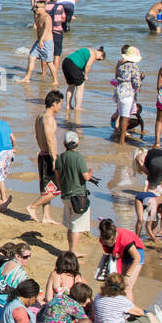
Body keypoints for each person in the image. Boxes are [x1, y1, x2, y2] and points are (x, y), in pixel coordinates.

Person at [26, 91, 65, 224]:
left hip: (43, 153)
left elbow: (37, 136)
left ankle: (46, 216)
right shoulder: (48, 118)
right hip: (48, 155)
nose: (60, 107)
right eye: (60, 104)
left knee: (47, 188)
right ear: (54, 103)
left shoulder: (39, 116)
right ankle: (33, 206)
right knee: (56, 190)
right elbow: (49, 138)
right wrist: (54, 157)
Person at [55, 131, 92, 254]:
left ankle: (71, 250)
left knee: (71, 225)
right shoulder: (79, 158)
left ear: (64, 143)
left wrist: (62, 188)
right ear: (77, 143)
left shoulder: (60, 158)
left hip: (65, 195)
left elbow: (58, 177)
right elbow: (86, 177)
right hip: (78, 195)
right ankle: (73, 252)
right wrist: (91, 171)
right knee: (77, 226)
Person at [96, 219, 145, 298]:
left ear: (113, 238)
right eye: (105, 243)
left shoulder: (125, 239)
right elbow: (110, 252)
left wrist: (127, 276)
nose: (107, 245)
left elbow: (137, 258)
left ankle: (129, 309)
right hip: (123, 255)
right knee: (118, 286)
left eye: (109, 243)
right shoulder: (102, 239)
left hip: (136, 255)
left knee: (127, 288)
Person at [61, 45, 105, 115]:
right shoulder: (93, 54)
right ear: (101, 55)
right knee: (80, 86)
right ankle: (77, 107)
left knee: (71, 86)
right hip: (73, 65)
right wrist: (86, 76)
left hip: (66, 62)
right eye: (99, 59)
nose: (97, 60)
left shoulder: (88, 49)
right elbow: (88, 65)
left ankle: (68, 106)